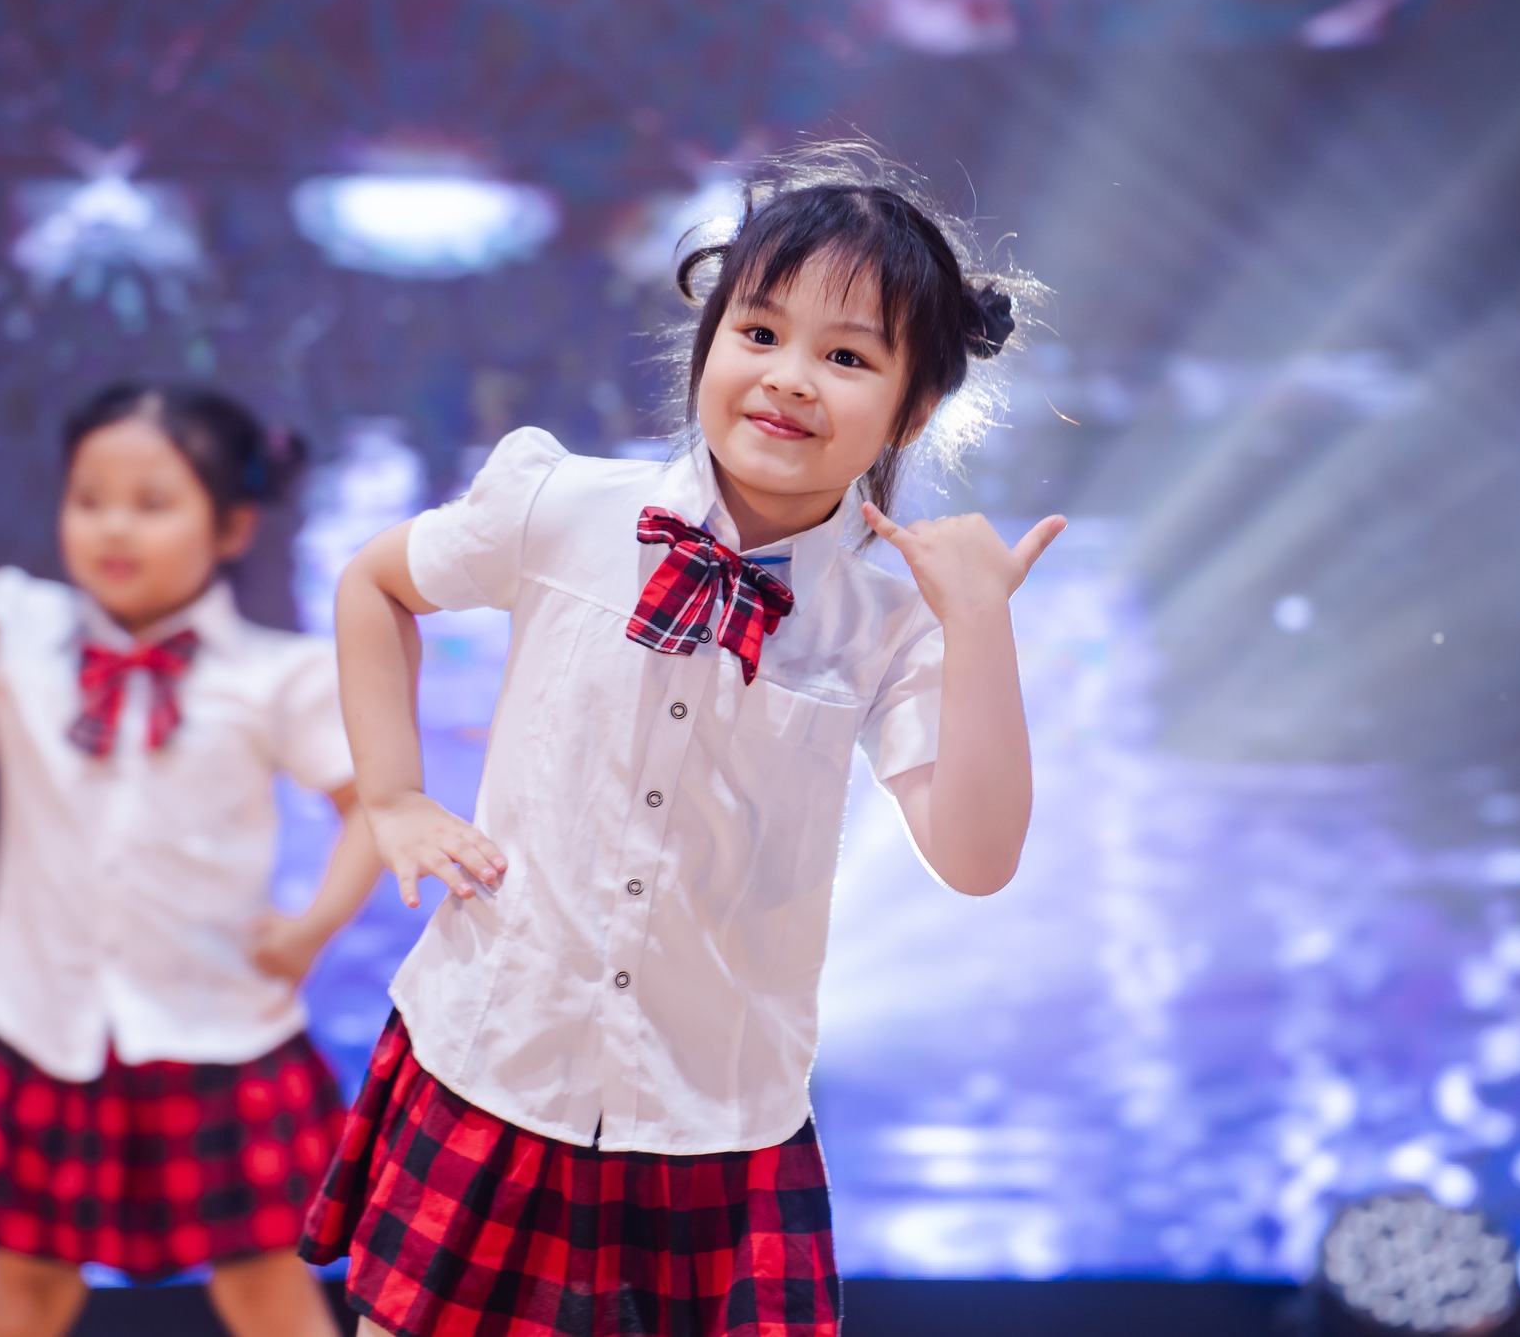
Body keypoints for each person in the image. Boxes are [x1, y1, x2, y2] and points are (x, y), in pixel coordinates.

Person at [303, 145, 1066, 1337]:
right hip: (492, 1060)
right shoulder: (563, 507)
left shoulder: (889, 621)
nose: (788, 378)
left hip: (708, 1124)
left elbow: (975, 858)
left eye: (846, 357)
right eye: (758, 333)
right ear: (708, 344)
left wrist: (977, 625)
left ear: (911, 409)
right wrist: (393, 798)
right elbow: (374, 582)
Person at [0, 383, 377, 1337]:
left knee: (265, 1287)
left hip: (217, 1032)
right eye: (89, 499)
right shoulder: (18, 625)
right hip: (50, 1024)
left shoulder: (274, 673)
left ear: (233, 526)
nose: (114, 527)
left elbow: (370, 805)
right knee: (28, 1284)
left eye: (152, 503)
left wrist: (313, 928)